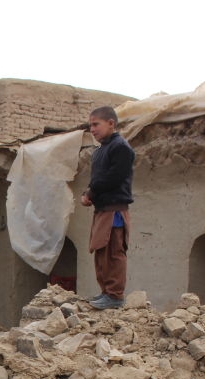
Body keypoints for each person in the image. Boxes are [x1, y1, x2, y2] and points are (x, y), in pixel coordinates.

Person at [80, 106, 134, 310]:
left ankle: (114, 295)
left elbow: (113, 178)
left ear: (111, 123)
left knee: (113, 251)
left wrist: (91, 193)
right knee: (101, 251)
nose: (92, 129)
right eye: (90, 125)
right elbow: (99, 179)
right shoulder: (101, 150)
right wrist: (90, 194)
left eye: (96, 124)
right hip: (102, 209)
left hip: (114, 210)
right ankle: (106, 292)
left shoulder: (120, 147)